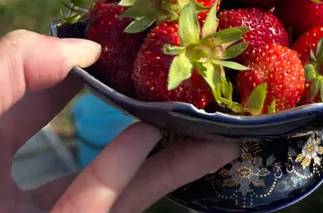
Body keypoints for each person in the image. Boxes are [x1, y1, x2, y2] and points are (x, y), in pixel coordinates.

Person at [0, 30, 240, 212]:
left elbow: (78, 114)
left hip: (106, 154)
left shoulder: (86, 108)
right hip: (121, 153)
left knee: (107, 169)